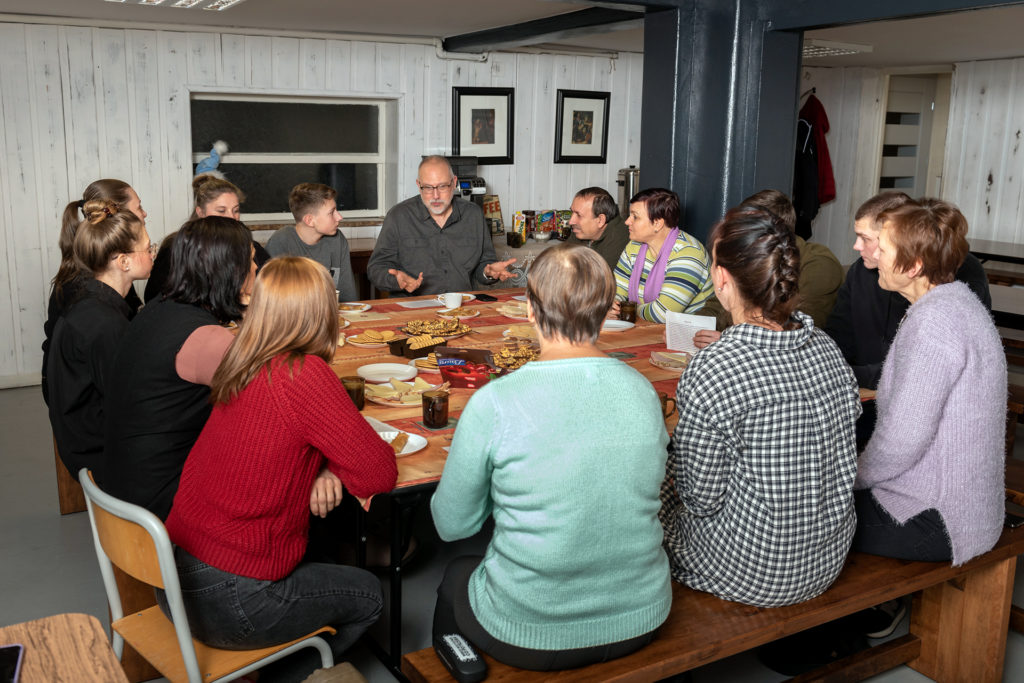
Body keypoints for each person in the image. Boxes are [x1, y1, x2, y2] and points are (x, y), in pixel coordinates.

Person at [430, 243, 671, 676]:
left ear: (529, 310)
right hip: (642, 616)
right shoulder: (642, 391)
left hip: (530, 630)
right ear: (604, 312)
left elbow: (452, 526)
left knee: (457, 573)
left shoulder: (496, 402)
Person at [163, 257, 397, 681]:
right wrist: (335, 464)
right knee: (369, 596)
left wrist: (326, 467)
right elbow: (378, 474)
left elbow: (283, 436)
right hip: (233, 597)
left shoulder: (242, 361)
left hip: (173, 575)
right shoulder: (304, 374)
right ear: (322, 312)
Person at [659, 207, 860, 607]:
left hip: (749, 568)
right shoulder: (825, 346)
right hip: (826, 557)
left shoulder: (716, 365)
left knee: (649, 488)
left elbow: (700, 498)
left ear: (721, 278)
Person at [853, 200, 1005, 565]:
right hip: (970, 510)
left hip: (938, 519)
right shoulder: (958, 303)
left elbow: (901, 442)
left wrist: (849, 476)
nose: (876, 256)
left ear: (915, 265)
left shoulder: (934, 324)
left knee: (802, 517)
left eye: (884, 249)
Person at [102, 216, 256, 520]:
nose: (256, 270)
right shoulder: (207, 339)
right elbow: (277, 404)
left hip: (125, 484)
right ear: (230, 271)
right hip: (162, 502)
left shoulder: (159, 308)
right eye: (250, 261)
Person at [824, 191, 991, 389]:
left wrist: (842, 375)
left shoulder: (952, 281)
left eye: (865, 238)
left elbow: (920, 372)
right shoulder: (860, 271)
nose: (856, 246)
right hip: (863, 391)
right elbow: (837, 337)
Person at [47, 201, 154, 478]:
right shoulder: (104, 324)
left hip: (85, 445)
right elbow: (129, 406)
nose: (152, 253)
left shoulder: (94, 304)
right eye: (148, 248)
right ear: (124, 261)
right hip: (98, 456)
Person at [693, 189, 844, 347]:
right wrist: (692, 327)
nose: (740, 233)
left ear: (773, 229)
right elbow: (717, 303)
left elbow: (798, 330)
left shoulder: (820, 263)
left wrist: (728, 339)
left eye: (748, 227)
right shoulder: (750, 256)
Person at [43, 179, 146, 404]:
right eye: (138, 207)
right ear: (115, 216)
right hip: (79, 399)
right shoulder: (90, 292)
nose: (144, 214)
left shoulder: (108, 278)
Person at [367, 155, 516, 295]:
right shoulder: (398, 216)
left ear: (454, 183)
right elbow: (376, 268)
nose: (436, 195)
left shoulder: (473, 215)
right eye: (428, 187)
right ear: (419, 186)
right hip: (413, 310)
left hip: (461, 309)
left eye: (442, 186)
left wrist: (488, 272)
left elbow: (485, 264)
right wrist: (395, 280)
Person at [144, 173, 269, 302]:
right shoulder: (176, 248)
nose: (232, 217)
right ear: (200, 213)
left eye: (236, 210)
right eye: (221, 211)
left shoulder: (252, 247)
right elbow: (154, 297)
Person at [612, 188, 714, 323]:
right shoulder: (634, 246)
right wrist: (611, 306)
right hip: (650, 329)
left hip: (689, 336)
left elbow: (663, 314)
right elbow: (614, 292)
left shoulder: (688, 253)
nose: (627, 222)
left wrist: (628, 309)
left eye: (635, 217)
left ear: (657, 223)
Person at [266, 182, 358, 301]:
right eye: (331, 212)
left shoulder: (337, 239)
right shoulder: (280, 242)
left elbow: (347, 297)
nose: (339, 217)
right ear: (310, 220)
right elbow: (273, 301)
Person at [565, 186, 630, 271]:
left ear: (600, 220)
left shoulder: (620, 237)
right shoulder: (580, 230)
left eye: (578, 215)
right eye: (572, 212)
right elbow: (559, 259)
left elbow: (598, 280)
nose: (571, 221)